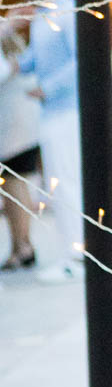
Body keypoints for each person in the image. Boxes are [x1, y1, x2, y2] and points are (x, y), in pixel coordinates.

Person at [16, 0, 79, 280]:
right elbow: (33, 59)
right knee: (57, 186)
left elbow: (80, 60)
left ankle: (77, 258)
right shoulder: (40, 16)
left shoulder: (67, 11)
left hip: (67, 112)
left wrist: (48, 88)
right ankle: (72, 254)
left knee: (67, 184)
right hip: (49, 113)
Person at [0, 17, 40, 272]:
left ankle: (23, 247)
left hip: (15, 132)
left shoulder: (10, 60)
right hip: (19, 130)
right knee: (13, 187)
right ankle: (20, 246)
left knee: (14, 187)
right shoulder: (16, 49)